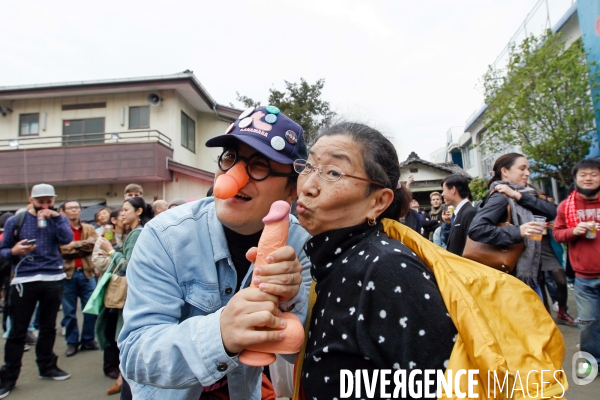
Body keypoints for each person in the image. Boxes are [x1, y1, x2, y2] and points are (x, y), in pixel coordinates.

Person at [118, 106, 312, 399]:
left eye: (259, 165)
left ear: (290, 191)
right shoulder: (164, 236)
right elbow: (135, 356)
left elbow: (301, 354)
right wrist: (221, 333)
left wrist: (291, 302)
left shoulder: (300, 245)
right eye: (229, 158)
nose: (234, 177)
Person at [293, 122, 457, 398]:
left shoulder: (388, 269)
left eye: (333, 172)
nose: (308, 186)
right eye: (308, 167)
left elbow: (439, 386)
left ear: (378, 202)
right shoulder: (333, 261)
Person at [0, 184, 74, 398]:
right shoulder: (17, 220)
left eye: (48, 200)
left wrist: (57, 217)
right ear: (31, 200)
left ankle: (47, 366)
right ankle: (8, 376)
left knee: (48, 326)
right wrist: (15, 250)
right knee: (18, 331)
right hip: (25, 278)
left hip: (54, 276)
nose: (45, 205)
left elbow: (67, 240)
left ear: (54, 200)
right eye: (40, 201)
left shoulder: (57, 219)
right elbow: (4, 251)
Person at [468, 153, 556, 294]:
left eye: (528, 169)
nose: (527, 173)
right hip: (511, 278)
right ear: (505, 171)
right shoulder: (500, 197)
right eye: (522, 169)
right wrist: (518, 231)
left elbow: (551, 212)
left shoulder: (524, 194)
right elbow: (477, 229)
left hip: (531, 276)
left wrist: (517, 195)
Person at [96, 197, 153, 395]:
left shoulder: (137, 234)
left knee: (125, 337)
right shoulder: (136, 231)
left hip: (130, 294)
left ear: (138, 211)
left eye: (126, 209)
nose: (122, 213)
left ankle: (127, 384)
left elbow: (130, 267)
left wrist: (110, 251)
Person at [553, 158, 600, 366]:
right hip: (584, 278)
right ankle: (593, 362)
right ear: (576, 179)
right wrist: (574, 231)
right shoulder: (566, 206)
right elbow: (557, 234)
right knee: (588, 323)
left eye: (594, 174)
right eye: (583, 174)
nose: (588, 178)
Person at [58, 200, 99, 357]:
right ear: (63, 211)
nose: (74, 210)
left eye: (76, 207)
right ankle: (72, 342)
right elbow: (61, 250)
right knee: (69, 312)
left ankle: (88, 340)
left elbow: (94, 245)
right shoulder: (61, 229)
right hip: (67, 274)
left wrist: (73, 245)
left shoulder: (89, 228)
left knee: (91, 309)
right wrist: (83, 246)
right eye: (70, 208)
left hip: (87, 272)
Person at [92, 208, 124, 381]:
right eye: (122, 215)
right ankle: (110, 365)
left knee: (122, 328)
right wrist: (117, 257)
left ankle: (122, 366)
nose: (125, 218)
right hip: (111, 290)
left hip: (126, 290)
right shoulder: (105, 238)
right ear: (113, 220)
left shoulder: (132, 235)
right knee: (109, 326)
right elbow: (98, 262)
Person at [440, 174, 477, 256]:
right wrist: (447, 225)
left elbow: (471, 247)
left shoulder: (469, 213)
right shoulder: (457, 213)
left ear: (453, 190)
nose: (442, 194)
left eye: (443, 190)